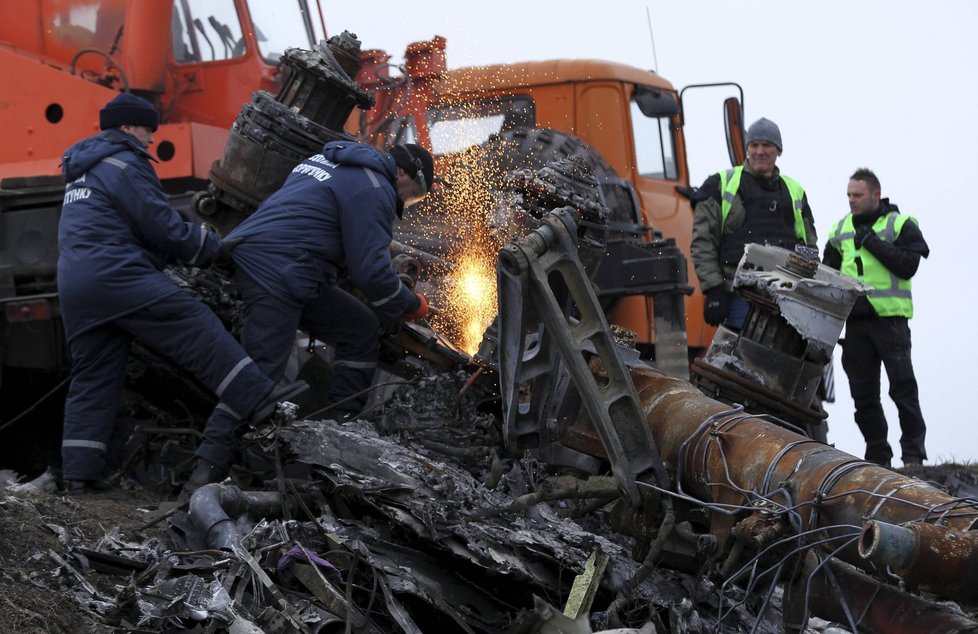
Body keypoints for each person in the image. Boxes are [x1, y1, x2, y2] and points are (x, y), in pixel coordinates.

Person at [58, 93, 305, 492]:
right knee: (193, 323)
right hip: (117, 276)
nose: (152, 139)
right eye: (146, 129)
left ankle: (78, 478)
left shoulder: (81, 170)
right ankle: (262, 403)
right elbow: (161, 226)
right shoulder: (126, 163)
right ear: (126, 128)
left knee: (94, 378)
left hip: (75, 285)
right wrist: (211, 248)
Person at [182, 140, 434, 497]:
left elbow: (320, 229)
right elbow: (372, 275)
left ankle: (339, 433)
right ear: (403, 172)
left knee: (358, 327)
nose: (407, 201)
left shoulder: (326, 161)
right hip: (279, 272)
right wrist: (410, 304)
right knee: (259, 374)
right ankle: (203, 476)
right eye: (414, 194)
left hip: (273, 260)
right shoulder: (375, 188)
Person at [823, 168, 929, 468]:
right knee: (863, 397)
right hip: (855, 325)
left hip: (890, 321)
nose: (851, 201)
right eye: (848, 195)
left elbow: (908, 265)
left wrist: (872, 242)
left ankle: (913, 456)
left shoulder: (900, 224)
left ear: (875, 195)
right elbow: (827, 273)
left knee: (903, 389)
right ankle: (878, 456)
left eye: (857, 195)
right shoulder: (840, 229)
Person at [691, 117, 818, 329]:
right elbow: (703, 243)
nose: (760, 151)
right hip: (739, 297)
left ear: (778, 150)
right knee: (739, 360)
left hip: (786, 301)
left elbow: (809, 248)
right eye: (754, 145)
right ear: (747, 149)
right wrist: (713, 290)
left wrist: (807, 294)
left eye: (767, 145)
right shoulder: (720, 184)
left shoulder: (795, 191)